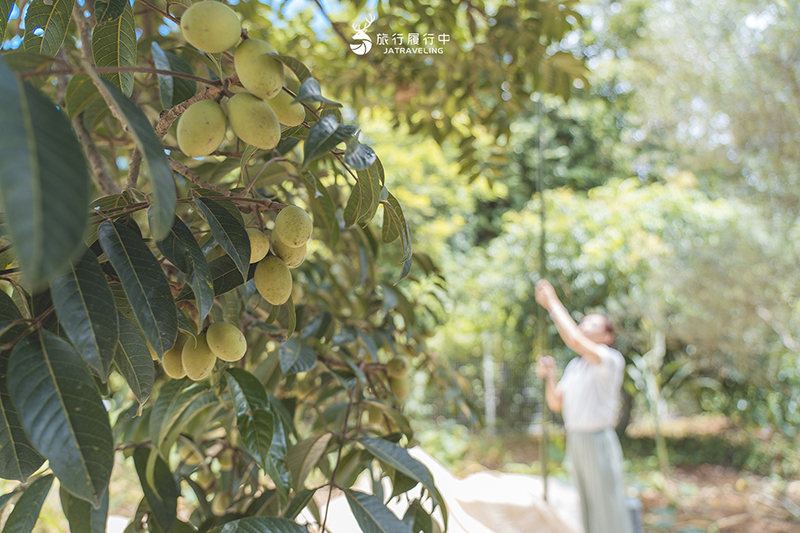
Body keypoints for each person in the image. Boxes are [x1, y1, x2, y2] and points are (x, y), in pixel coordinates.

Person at [534, 279, 634, 533]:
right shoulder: (576, 367)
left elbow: (574, 340)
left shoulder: (610, 360)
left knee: (607, 507)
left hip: (598, 440)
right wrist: (551, 375)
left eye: (592, 324)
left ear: (607, 336)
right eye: (583, 322)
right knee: (586, 508)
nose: (584, 327)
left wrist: (552, 303)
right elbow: (556, 402)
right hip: (576, 440)